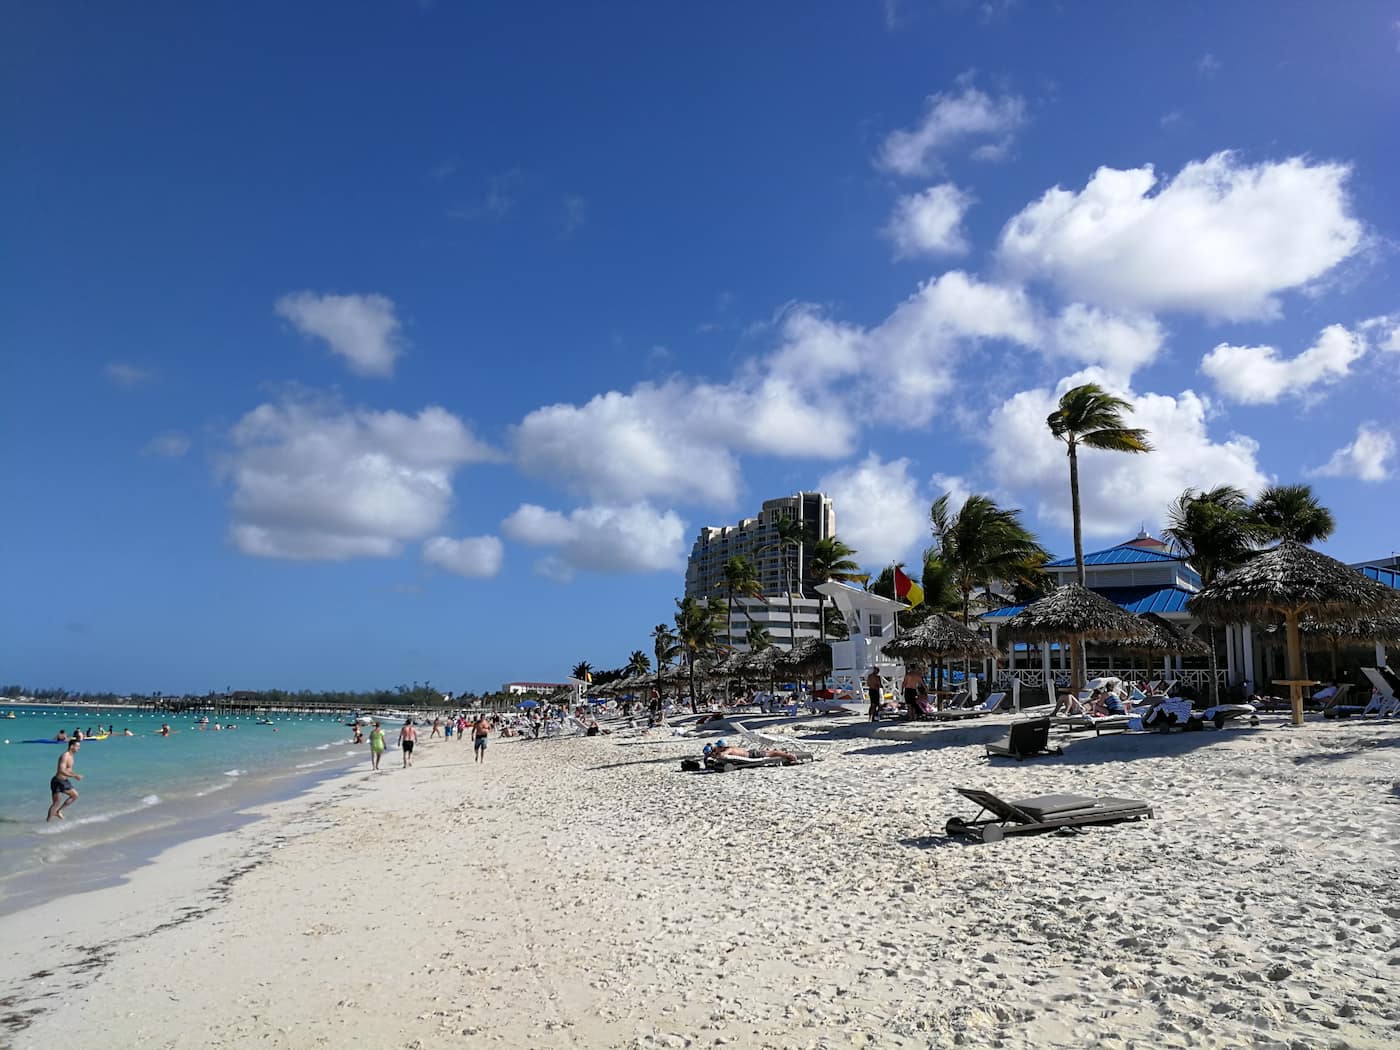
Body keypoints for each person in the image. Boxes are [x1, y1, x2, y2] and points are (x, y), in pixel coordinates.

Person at [47, 739, 83, 822]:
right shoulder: (65, 756)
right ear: (71, 746)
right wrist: (74, 776)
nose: (79, 748)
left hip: (63, 781)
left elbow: (68, 770)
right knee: (56, 803)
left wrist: (76, 775)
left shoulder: (71, 756)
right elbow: (61, 770)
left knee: (74, 796)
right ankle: (48, 821)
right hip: (58, 781)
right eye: (77, 746)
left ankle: (58, 812)